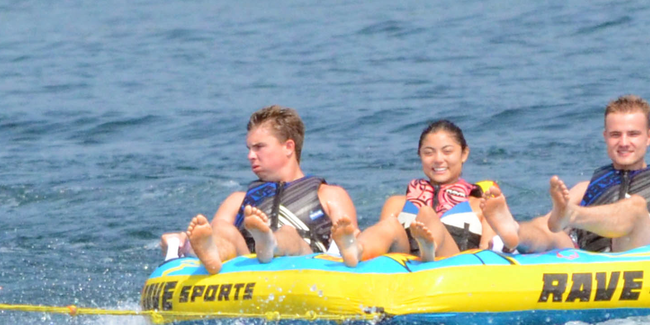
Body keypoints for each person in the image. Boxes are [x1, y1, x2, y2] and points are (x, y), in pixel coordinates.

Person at [519, 94, 650, 253]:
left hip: (645, 259)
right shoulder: (584, 189)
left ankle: (573, 216)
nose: (623, 142)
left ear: (649, 137)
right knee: (547, 230)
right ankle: (511, 233)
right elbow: (548, 225)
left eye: (633, 134)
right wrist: (530, 230)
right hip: (591, 262)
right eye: (615, 135)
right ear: (605, 137)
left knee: (635, 207)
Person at [170, 105, 359, 275]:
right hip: (249, 271)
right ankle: (214, 256)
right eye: (249, 148)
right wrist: (184, 244)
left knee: (288, 233)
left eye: (259, 147)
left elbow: (350, 242)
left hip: (306, 267)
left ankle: (270, 243)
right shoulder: (237, 201)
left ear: (288, 147)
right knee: (221, 228)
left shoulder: (329, 195)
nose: (250, 156)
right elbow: (217, 233)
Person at [341, 119, 525, 262]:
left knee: (428, 215)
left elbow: (487, 254)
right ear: (420, 156)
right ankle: (356, 249)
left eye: (447, 152)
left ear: (464, 154)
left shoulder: (481, 206)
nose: (438, 159)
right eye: (429, 153)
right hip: (406, 264)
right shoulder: (397, 204)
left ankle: (430, 249)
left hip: (455, 266)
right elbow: (388, 243)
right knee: (389, 224)